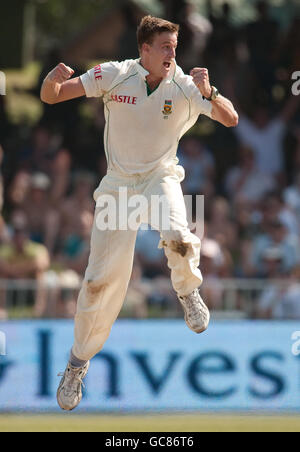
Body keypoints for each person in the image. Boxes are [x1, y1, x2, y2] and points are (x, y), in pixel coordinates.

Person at [40, 15, 238, 411]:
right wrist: (51, 78)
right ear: (144, 50)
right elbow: (52, 95)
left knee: (179, 236)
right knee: (101, 282)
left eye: (174, 48)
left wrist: (210, 91)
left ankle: (188, 291)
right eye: (164, 47)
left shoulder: (185, 85)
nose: (171, 54)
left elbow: (230, 118)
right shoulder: (116, 74)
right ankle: (77, 364)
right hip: (118, 185)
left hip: (159, 176)